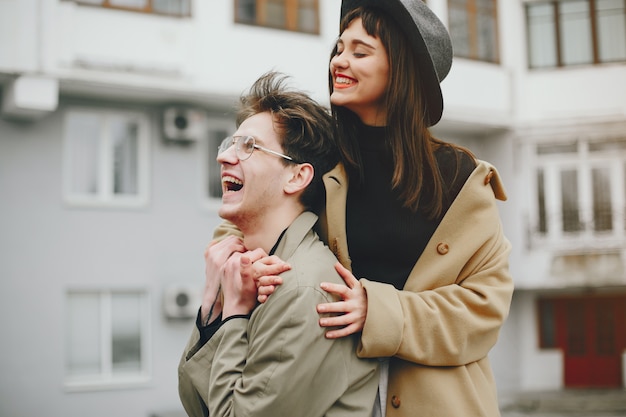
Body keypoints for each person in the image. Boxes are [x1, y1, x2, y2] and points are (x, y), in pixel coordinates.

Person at [245, 1, 515, 416]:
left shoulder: (459, 179)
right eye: (338, 48)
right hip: (328, 393)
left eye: (360, 51)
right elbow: (250, 206)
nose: (340, 60)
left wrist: (381, 312)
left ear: (401, 68)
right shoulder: (320, 155)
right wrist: (242, 261)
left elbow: (484, 309)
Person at [177, 71, 379, 417]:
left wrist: (235, 314)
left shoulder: (304, 289)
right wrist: (214, 305)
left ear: (297, 176)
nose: (223, 158)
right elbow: (196, 405)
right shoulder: (246, 275)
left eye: (249, 147)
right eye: (229, 144)